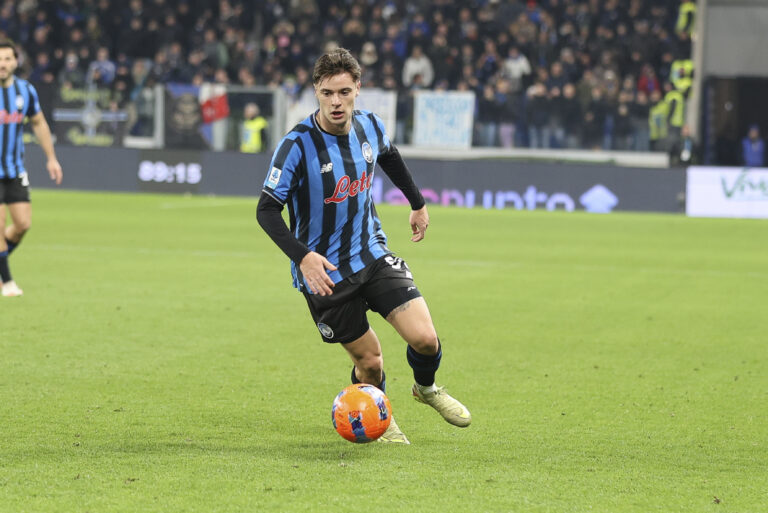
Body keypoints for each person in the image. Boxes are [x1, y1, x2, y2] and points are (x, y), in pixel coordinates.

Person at [256, 48, 470, 444]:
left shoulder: (370, 125)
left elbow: (389, 156)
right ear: (315, 93)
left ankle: (425, 389)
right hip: (326, 275)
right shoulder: (296, 145)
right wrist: (302, 258)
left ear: (358, 88)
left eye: (343, 92)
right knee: (370, 363)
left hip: (370, 253)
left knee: (425, 339)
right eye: (326, 94)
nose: (335, 102)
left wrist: (417, 202)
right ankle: (381, 419)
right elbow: (266, 211)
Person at [0, 41, 63, 297]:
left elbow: (38, 123)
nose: (2, 64)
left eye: (7, 59)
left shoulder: (25, 91)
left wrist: (51, 158)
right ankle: (8, 282)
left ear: (16, 61)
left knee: (23, 224)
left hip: (14, 171)